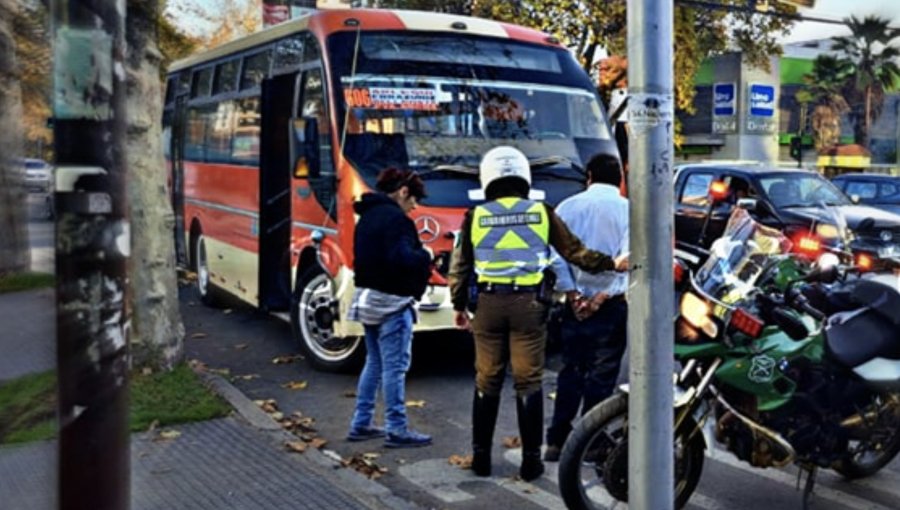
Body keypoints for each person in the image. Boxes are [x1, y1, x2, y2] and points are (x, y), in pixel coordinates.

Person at [448, 146, 628, 481]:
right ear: (523, 177)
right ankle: (531, 462)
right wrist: (611, 264)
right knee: (527, 381)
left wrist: (459, 306)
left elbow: (459, 267)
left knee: (486, 379)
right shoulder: (541, 212)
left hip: (487, 306)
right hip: (529, 306)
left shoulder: (476, 216)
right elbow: (575, 252)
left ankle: (482, 458)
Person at [543, 154, 630, 462]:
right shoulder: (628, 210)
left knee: (571, 370)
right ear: (619, 178)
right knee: (602, 375)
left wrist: (573, 294)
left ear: (589, 176)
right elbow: (629, 259)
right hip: (611, 306)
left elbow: (556, 255)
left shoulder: (567, 207)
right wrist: (602, 296)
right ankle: (592, 442)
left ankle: (557, 440)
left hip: (574, 306)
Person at [346, 168, 434, 448]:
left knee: (373, 362)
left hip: (368, 298)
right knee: (395, 368)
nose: (415, 207)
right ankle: (397, 429)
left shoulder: (368, 216)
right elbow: (404, 258)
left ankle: (361, 422)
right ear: (403, 192)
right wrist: (427, 256)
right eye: (414, 200)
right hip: (393, 301)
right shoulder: (397, 220)